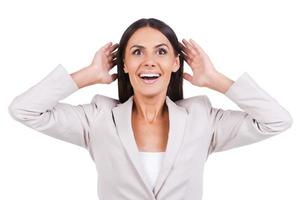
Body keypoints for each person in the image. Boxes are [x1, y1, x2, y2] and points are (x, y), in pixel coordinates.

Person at [8, 18, 293, 200]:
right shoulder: (98, 118)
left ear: (175, 63)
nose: (149, 61)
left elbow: (276, 121)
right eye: (137, 52)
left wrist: (215, 80)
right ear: (125, 66)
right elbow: (24, 110)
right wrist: (88, 74)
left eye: (161, 51)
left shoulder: (202, 118)